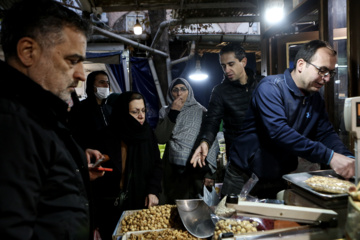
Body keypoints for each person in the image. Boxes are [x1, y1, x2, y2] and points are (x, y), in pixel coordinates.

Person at [0, 0, 106, 239]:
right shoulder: (11, 124)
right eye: (72, 60)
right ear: (28, 51)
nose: (80, 74)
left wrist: (73, 166)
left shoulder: (38, 115)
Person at [220, 40, 355, 199]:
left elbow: (326, 133)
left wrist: (348, 158)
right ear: (300, 65)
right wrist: (329, 156)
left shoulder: (315, 99)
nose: (326, 79)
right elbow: (279, 132)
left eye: (330, 73)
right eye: (322, 70)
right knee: (231, 222)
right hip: (244, 176)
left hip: (279, 176)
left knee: (273, 222)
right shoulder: (270, 88)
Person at [92, 91, 162, 240]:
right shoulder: (105, 137)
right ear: (123, 112)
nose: (141, 116)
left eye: (143, 110)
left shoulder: (147, 134)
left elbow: (157, 164)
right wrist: (94, 221)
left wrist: (153, 190)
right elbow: (95, 183)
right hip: (110, 209)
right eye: (135, 112)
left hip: (140, 204)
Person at [190, 43, 260, 169]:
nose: (227, 70)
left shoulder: (262, 84)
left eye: (231, 64)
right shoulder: (220, 91)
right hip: (238, 161)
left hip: (264, 158)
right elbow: (212, 121)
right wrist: (205, 141)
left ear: (243, 62)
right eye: (223, 66)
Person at [155, 78, 218, 204]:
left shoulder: (201, 111)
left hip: (196, 169)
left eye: (183, 89)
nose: (179, 94)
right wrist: (173, 112)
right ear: (170, 93)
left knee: (196, 209)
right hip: (172, 170)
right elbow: (160, 138)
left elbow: (213, 142)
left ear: (189, 92)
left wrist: (209, 175)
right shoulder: (165, 111)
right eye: (175, 90)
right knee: (173, 208)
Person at [71, 70, 112, 151]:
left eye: (107, 82)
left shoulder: (109, 109)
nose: (106, 85)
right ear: (91, 86)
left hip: (109, 157)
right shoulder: (81, 108)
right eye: (101, 82)